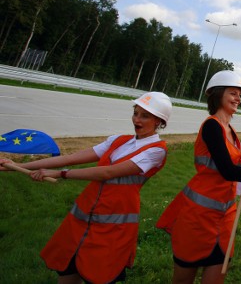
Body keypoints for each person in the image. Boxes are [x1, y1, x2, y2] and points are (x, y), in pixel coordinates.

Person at [0, 91, 173, 284]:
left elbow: (107, 173)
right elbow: (70, 158)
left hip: (112, 227)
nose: (137, 119)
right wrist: (16, 167)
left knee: (99, 276)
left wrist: (60, 173)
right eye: (136, 113)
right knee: (67, 273)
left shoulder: (156, 150)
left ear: (159, 121)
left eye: (145, 116)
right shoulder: (118, 141)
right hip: (82, 220)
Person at [156, 70, 241, 284]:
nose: (238, 98)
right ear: (218, 94)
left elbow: (227, 162)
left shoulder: (230, 129)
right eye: (233, 93)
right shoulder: (212, 126)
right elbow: (227, 171)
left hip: (224, 216)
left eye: (240, 94)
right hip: (198, 217)